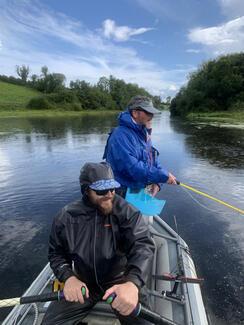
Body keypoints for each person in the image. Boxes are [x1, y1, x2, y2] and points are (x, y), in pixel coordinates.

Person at [42, 162, 155, 325]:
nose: (110, 194)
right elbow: (56, 254)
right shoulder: (66, 217)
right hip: (84, 284)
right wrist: (69, 278)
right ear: (86, 190)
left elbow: (142, 246)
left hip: (119, 282)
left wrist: (132, 283)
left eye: (113, 188)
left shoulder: (127, 212)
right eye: (102, 190)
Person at [103, 95, 177, 198]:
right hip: (123, 195)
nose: (152, 116)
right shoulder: (119, 136)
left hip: (140, 191)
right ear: (135, 113)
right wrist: (162, 176)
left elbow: (152, 159)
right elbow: (132, 168)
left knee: (144, 213)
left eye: (152, 113)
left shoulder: (143, 132)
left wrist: (157, 183)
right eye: (148, 112)